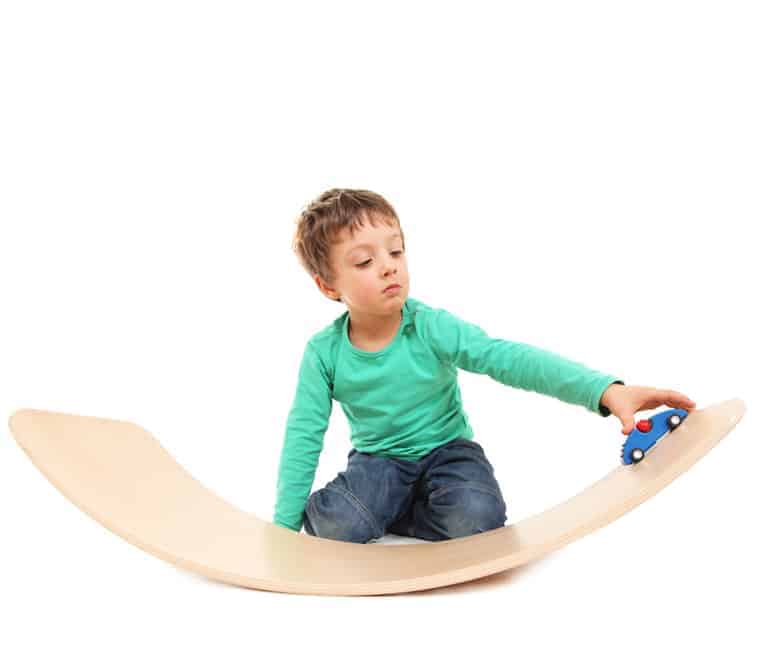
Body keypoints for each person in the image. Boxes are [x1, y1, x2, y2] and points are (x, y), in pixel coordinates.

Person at [272, 188, 695, 543]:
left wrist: (604, 391)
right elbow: (303, 435)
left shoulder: (431, 327)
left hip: (448, 453)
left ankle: (403, 513)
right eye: (365, 262)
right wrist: (284, 532)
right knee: (336, 525)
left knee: (478, 518)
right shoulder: (323, 353)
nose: (388, 266)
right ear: (328, 286)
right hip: (378, 462)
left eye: (396, 251)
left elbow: (510, 360)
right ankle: (394, 507)